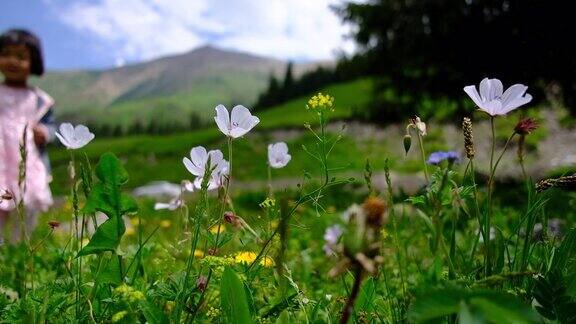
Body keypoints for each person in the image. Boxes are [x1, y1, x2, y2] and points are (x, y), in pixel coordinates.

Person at [0, 29, 54, 243]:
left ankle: (20, 249)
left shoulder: (40, 100)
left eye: (21, 57)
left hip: (26, 161)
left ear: (34, 62)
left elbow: (50, 127)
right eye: (5, 54)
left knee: (27, 203)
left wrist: (44, 133)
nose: (13, 61)